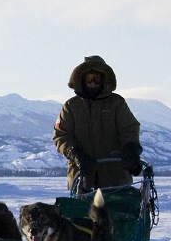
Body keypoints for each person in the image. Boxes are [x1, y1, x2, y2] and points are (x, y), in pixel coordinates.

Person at [53, 55, 143, 193]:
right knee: (81, 214)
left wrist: (131, 150)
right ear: (81, 79)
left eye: (97, 78)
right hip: (82, 178)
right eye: (89, 78)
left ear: (104, 79)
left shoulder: (116, 103)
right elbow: (61, 135)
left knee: (118, 213)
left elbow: (129, 129)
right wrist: (75, 154)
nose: (93, 82)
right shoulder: (71, 106)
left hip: (115, 178)